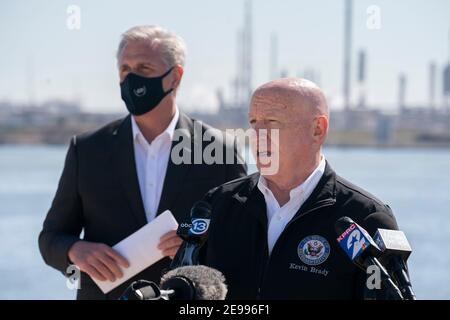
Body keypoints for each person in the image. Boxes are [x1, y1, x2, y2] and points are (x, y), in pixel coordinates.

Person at [38, 25, 247, 300]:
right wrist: (74, 250)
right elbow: (51, 237)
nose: (131, 78)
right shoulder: (87, 150)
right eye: (125, 69)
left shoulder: (220, 150)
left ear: (175, 77)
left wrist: (198, 246)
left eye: (144, 68)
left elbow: (245, 241)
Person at [198, 78, 406, 299]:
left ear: (317, 130)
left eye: (272, 122)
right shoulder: (217, 205)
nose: (256, 136)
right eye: (253, 122)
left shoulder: (367, 218)